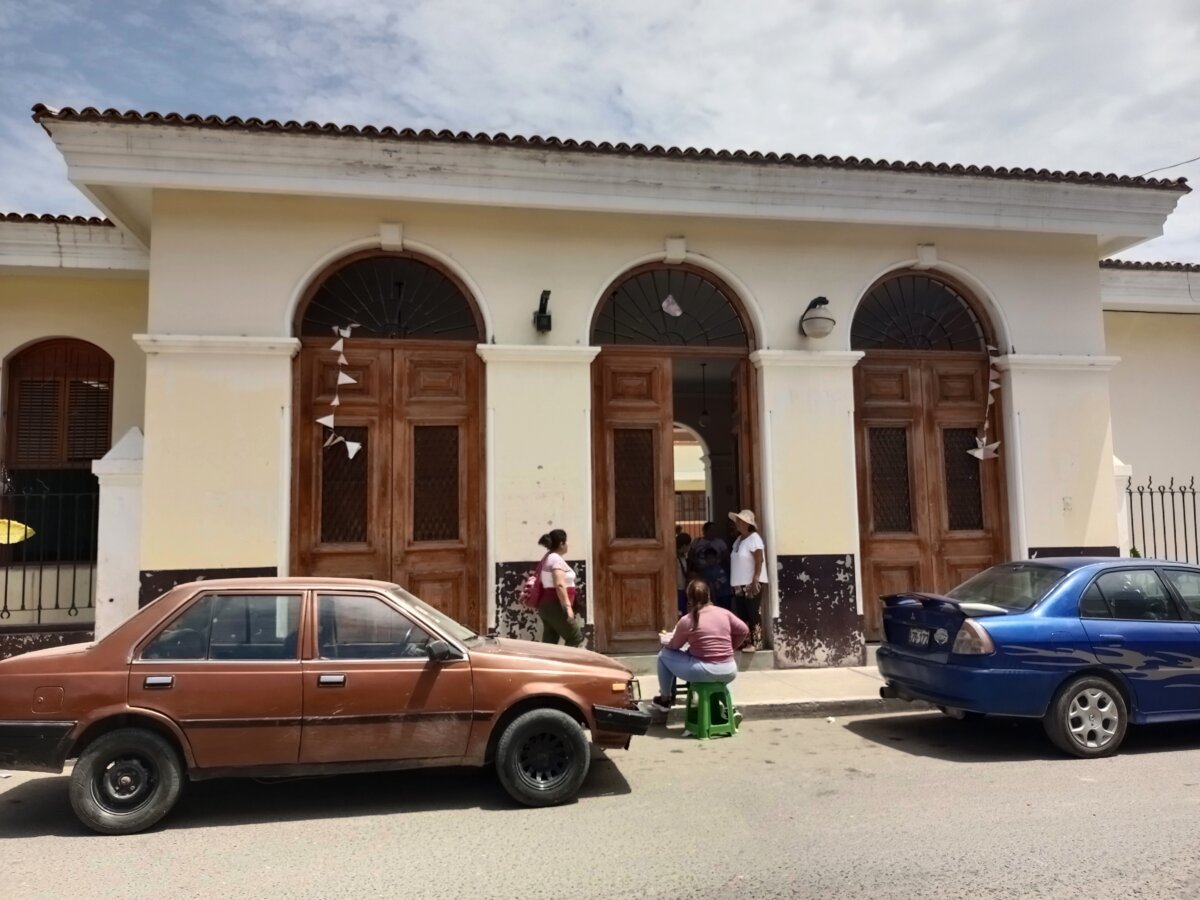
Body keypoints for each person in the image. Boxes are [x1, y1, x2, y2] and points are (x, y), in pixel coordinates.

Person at [648, 579, 748, 713]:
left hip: (703, 670)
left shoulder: (687, 620)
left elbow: (674, 646)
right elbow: (744, 630)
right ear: (709, 595)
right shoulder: (725, 613)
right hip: (729, 670)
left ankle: (665, 699)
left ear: (689, 600)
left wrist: (664, 640)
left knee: (663, 655)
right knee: (718, 678)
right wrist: (731, 648)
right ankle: (730, 708)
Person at [536, 529, 584, 648]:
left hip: (547, 606)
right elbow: (560, 584)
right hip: (556, 605)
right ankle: (567, 664)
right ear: (561, 544)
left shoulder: (549, 557)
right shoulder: (556, 560)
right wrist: (568, 608)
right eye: (566, 542)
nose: (567, 545)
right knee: (575, 637)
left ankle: (549, 665)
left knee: (550, 641)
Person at [729, 508, 767, 651]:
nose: (737, 524)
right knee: (742, 613)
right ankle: (745, 641)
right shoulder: (738, 540)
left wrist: (755, 580)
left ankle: (756, 643)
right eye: (737, 521)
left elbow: (759, 559)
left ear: (747, 523)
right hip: (739, 583)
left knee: (753, 611)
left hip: (751, 582)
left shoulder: (754, 538)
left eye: (740, 521)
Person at [675, 532, 692, 616]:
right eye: (689, 545)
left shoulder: (682, 557)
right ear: (684, 545)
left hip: (683, 588)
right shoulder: (674, 557)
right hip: (677, 589)